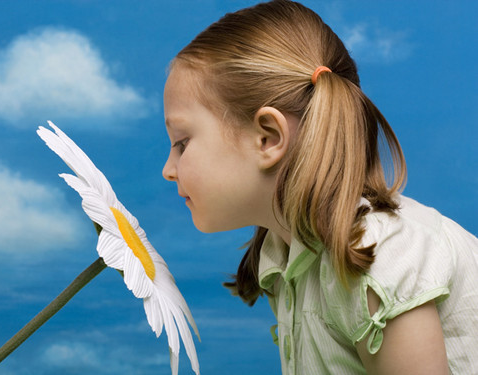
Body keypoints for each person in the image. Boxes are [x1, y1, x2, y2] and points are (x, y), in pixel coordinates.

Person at [161, 0, 478, 373]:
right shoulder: (285, 256)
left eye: (182, 142)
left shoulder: (378, 259)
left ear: (267, 138)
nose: (169, 169)